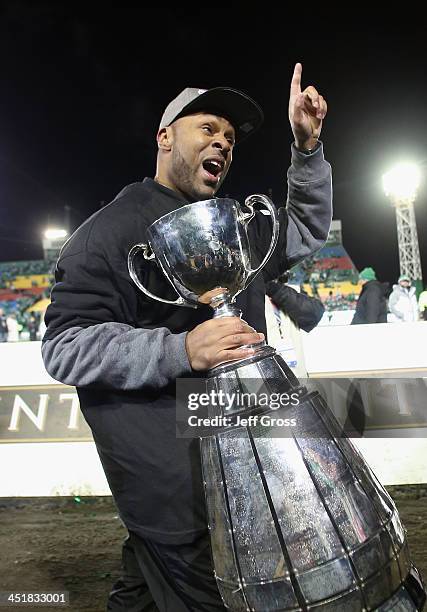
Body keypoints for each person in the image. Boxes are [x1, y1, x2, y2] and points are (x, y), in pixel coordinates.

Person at [41, 64, 332, 611]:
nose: (222, 142)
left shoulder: (230, 224)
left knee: (142, 588)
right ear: (166, 136)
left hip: (238, 471)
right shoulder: (106, 233)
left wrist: (307, 149)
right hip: (179, 492)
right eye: (208, 128)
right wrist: (180, 350)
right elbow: (65, 346)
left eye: (230, 138)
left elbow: (304, 233)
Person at [265, 273, 325, 377]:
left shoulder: (288, 289)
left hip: (297, 375)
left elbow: (314, 313)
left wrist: (276, 290)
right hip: (264, 378)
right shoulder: (247, 296)